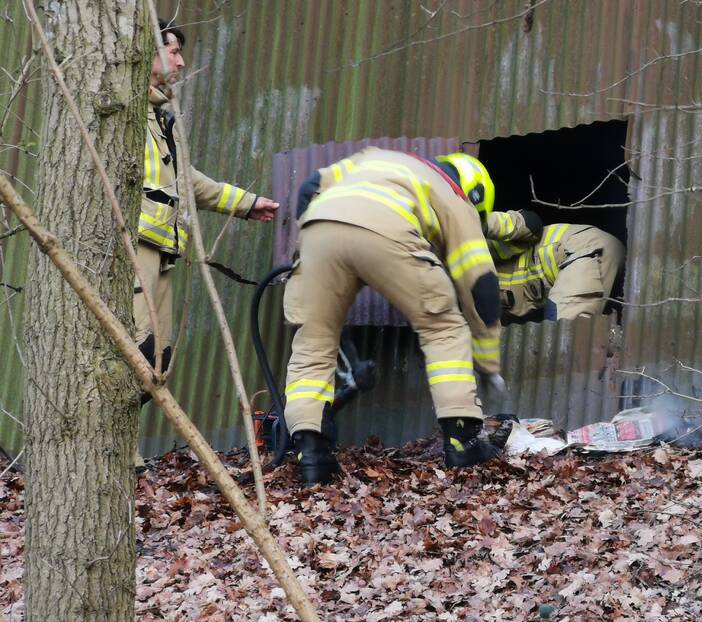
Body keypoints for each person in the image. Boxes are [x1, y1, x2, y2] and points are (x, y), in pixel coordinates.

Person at [284, 149, 507, 485]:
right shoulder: (454, 195)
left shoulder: (374, 158)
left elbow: (310, 186)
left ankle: (312, 457)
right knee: (443, 328)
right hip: (387, 229)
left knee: (313, 344)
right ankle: (464, 441)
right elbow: (480, 285)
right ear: (474, 192)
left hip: (319, 228)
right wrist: (489, 364)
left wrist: (309, 240)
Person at [134, 19, 279, 468]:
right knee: (136, 351)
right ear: (146, 51)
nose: (180, 61)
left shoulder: (162, 117)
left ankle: (122, 447)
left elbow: (188, 180)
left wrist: (246, 203)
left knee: (157, 356)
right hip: (134, 246)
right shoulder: (126, 113)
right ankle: (117, 452)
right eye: (173, 51)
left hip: (163, 251)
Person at [484, 210, 625, 321]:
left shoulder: (476, 242)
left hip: (585, 250)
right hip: (586, 271)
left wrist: (478, 222)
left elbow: (531, 223)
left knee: (560, 334)